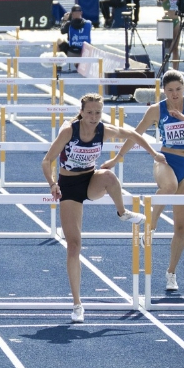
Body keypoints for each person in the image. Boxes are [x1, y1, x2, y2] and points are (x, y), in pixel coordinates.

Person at [42, 93, 165, 323]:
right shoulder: (69, 131)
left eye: (98, 112)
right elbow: (46, 160)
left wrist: (154, 154)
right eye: (89, 112)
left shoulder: (103, 130)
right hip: (69, 187)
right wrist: (52, 183)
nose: (94, 117)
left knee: (109, 175)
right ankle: (77, 304)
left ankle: (122, 213)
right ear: (81, 111)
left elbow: (133, 134)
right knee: (74, 245)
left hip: (91, 181)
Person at [101, 70, 184, 292]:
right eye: (170, 90)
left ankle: (171, 273)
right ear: (164, 90)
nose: (174, 95)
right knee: (169, 186)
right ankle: (149, 226)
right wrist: (117, 157)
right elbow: (136, 134)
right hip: (166, 160)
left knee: (181, 227)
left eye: (178, 90)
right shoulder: (157, 110)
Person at [160, 0, 181, 70]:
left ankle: (175, 69)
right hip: (168, 20)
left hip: (176, 20)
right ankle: (166, 62)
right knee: (168, 46)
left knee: (176, 47)